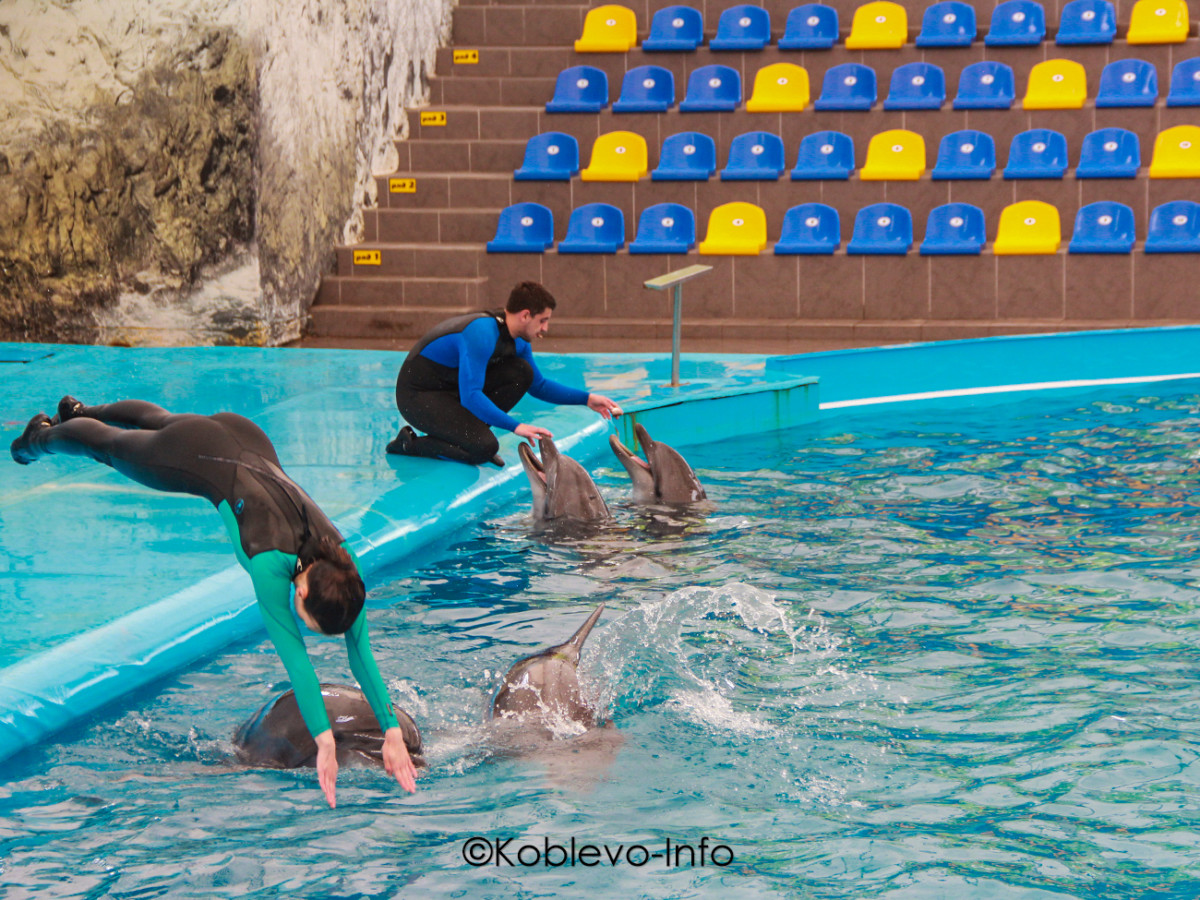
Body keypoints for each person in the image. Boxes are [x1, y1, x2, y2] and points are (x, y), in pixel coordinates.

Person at [10, 397, 417, 808]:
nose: (300, 622)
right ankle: (37, 439)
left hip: (246, 436)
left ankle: (81, 411)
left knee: (157, 421)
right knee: (109, 448)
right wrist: (324, 742)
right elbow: (299, 667)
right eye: (305, 619)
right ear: (303, 592)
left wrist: (392, 733)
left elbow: (361, 655)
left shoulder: (344, 570)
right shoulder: (270, 567)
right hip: (195, 456)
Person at [388, 281, 622, 466]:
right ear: (525, 315)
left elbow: (538, 385)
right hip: (418, 396)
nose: (545, 329)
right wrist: (516, 426)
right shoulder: (481, 333)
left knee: (522, 372)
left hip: (451, 389)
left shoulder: (519, 341)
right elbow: (471, 396)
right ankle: (408, 444)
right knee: (483, 448)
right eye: (543, 321)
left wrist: (587, 399)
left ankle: (469, 437)